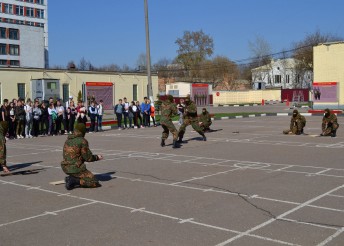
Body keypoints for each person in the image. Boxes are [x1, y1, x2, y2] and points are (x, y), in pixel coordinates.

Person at [61, 123, 103, 190]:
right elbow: (88, 158)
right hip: (76, 168)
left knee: (82, 174)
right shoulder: (82, 141)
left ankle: (72, 177)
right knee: (93, 182)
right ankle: (74, 181)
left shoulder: (68, 140)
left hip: (65, 167)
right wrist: (97, 157)